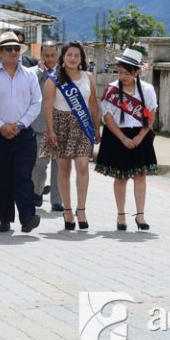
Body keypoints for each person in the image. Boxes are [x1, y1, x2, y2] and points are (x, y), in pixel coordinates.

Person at [0, 32, 42, 233]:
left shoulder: (30, 75)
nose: (13, 52)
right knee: (2, 176)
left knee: (23, 175)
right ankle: (4, 219)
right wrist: (2, 126)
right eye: (8, 49)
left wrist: (20, 124)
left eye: (16, 49)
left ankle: (27, 217)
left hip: (23, 134)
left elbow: (36, 103)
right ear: (0, 52)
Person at [95, 48, 158, 231]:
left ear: (136, 72)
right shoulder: (112, 90)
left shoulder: (146, 90)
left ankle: (140, 215)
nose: (123, 76)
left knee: (140, 175)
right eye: (120, 71)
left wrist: (139, 137)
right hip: (117, 136)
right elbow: (107, 118)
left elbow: (150, 116)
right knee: (120, 177)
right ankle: (121, 215)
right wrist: (123, 138)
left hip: (140, 134)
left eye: (127, 72)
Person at [40, 42, 101, 230]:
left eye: (76, 55)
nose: (73, 58)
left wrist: (97, 128)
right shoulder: (54, 79)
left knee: (83, 166)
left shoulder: (87, 77)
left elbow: (93, 104)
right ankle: (67, 209)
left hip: (82, 126)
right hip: (61, 125)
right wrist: (50, 130)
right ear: (63, 57)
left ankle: (81, 209)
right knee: (64, 170)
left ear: (81, 58)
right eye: (69, 55)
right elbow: (47, 107)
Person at [31, 41, 63, 212]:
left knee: (59, 166)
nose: (50, 59)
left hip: (60, 126)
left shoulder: (65, 73)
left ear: (58, 55)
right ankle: (37, 191)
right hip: (40, 127)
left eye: (53, 55)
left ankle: (57, 200)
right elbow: (28, 87)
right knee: (39, 164)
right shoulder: (33, 73)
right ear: (41, 55)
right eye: (46, 55)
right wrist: (41, 71)